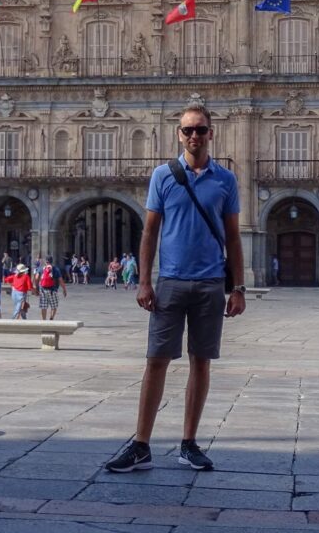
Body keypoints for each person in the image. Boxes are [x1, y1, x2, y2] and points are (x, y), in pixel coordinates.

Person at [105, 104, 245, 474]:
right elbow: (149, 231)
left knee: (201, 362)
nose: (194, 136)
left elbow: (233, 236)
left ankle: (189, 443)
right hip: (169, 282)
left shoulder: (225, 180)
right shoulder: (163, 176)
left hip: (211, 282)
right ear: (179, 134)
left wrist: (239, 288)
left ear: (211, 133)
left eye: (200, 129)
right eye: (187, 131)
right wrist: (145, 281)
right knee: (156, 362)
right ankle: (140, 445)